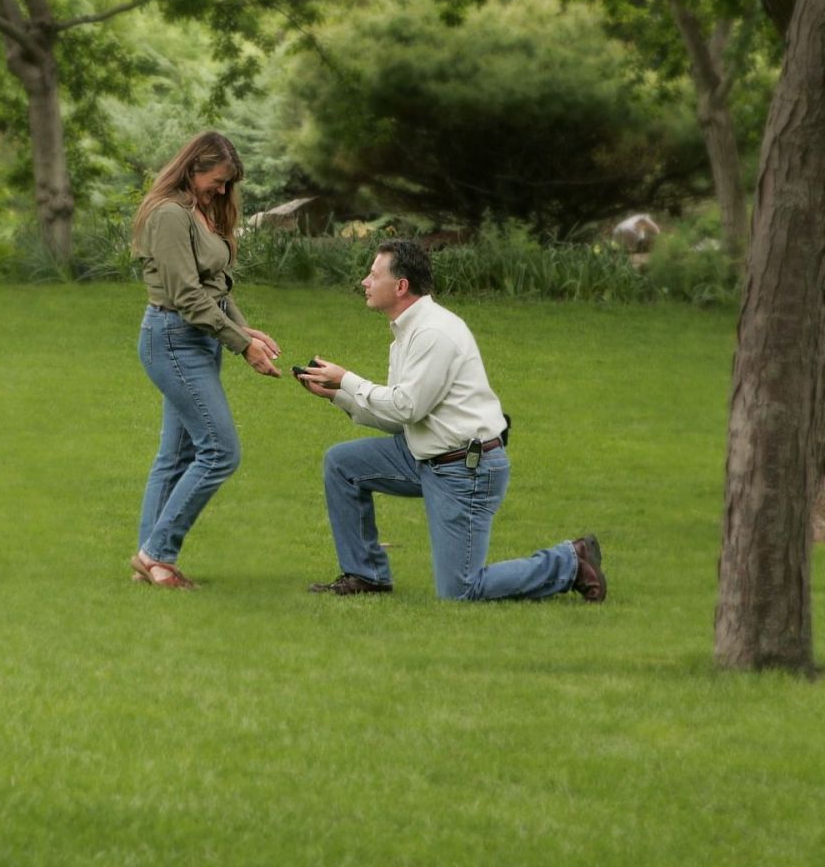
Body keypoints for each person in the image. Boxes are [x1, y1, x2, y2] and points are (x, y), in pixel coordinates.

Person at [295, 239, 607, 602]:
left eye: (373, 274)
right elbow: (403, 419)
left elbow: (407, 408)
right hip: (425, 455)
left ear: (401, 286)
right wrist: (338, 396)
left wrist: (346, 378)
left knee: (460, 589)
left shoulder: (433, 333)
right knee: (342, 464)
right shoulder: (407, 333)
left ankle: (571, 561)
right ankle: (366, 575)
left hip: (464, 469)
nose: (364, 281)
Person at [129, 131, 282, 589]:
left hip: (196, 339)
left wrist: (243, 330)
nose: (221, 190)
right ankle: (157, 551)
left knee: (177, 455)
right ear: (193, 168)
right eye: (216, 180)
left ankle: (152, 564)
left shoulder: (201, 212)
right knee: (219, 451)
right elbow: (187, 296)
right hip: (174, 338)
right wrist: (242, 345)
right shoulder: (171, 215)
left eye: (226, 183)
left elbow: (216, 285)